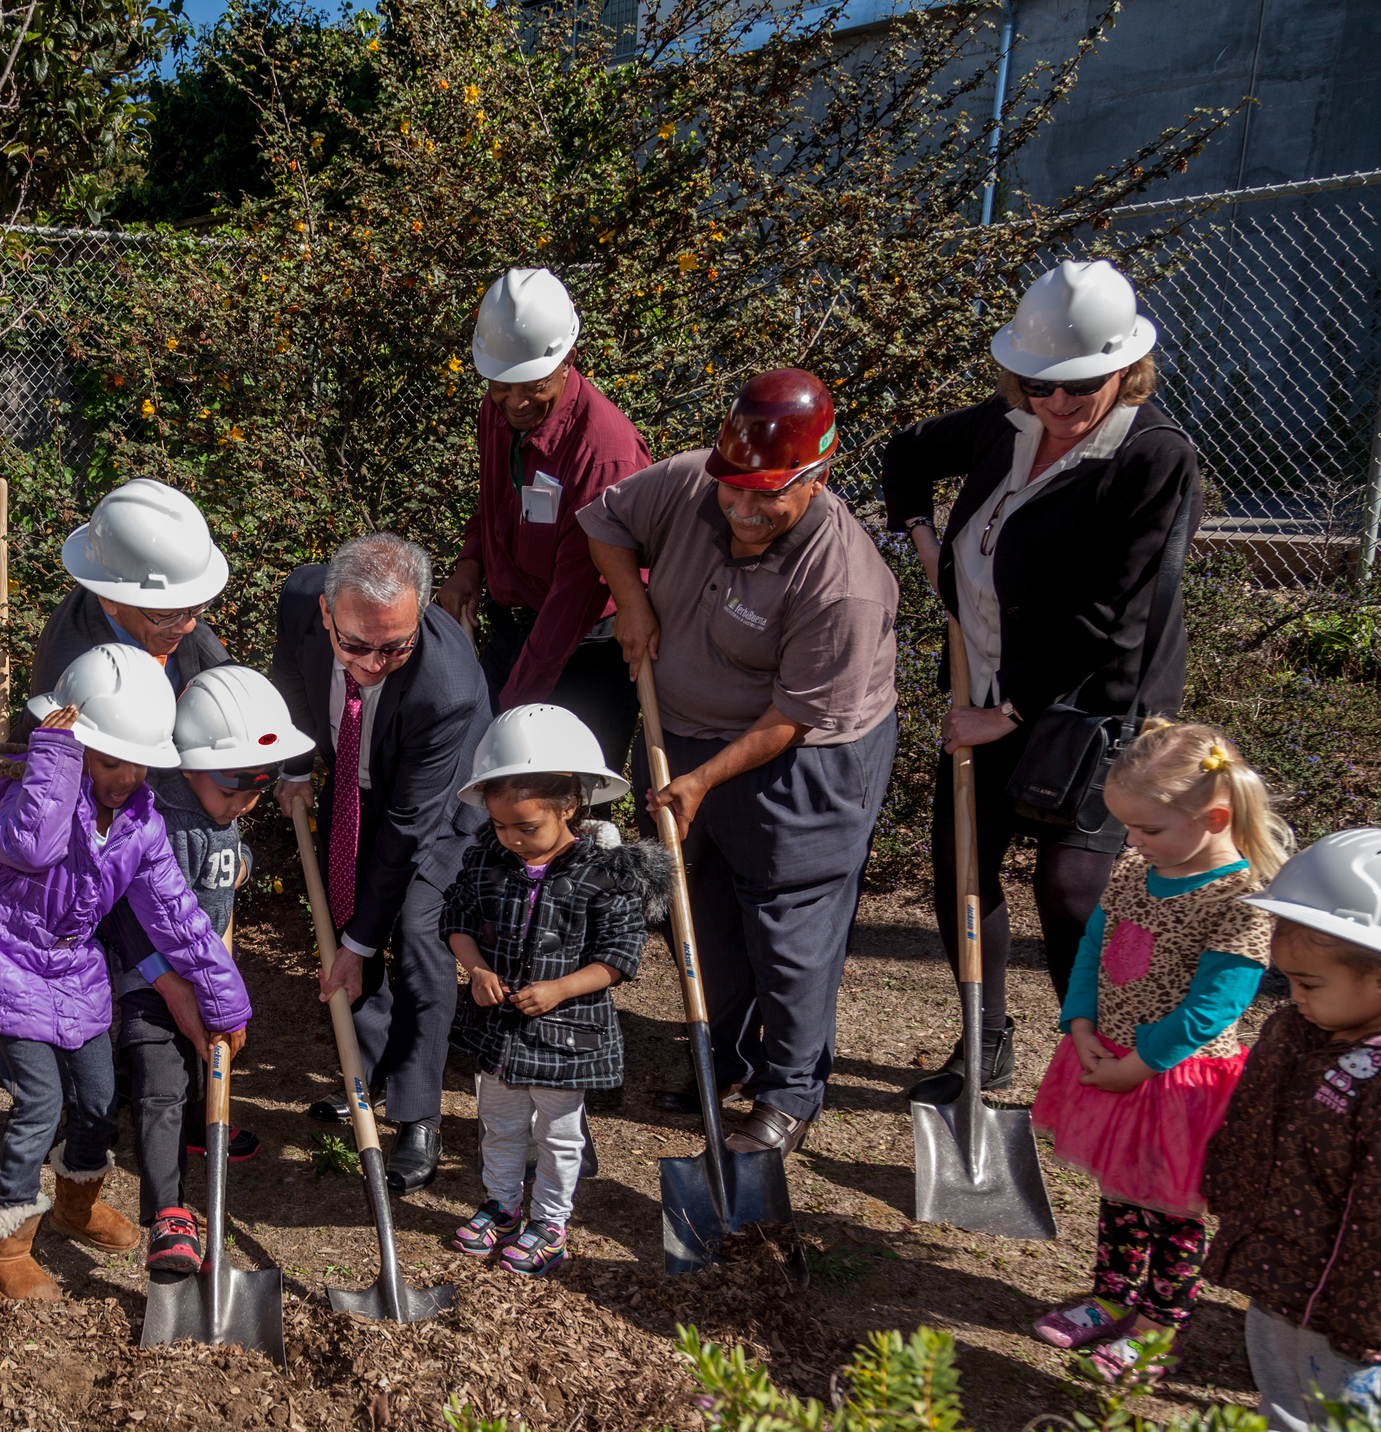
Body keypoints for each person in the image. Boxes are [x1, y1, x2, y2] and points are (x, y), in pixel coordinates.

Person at [880, 260, 1201, 1104]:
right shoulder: (1004, 423)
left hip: (1096, 705)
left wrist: (1009, 711)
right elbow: (905, 454)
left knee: (1071, 891)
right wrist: (921, 536)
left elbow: (1112, 617)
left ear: (1124, 367)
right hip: (981, 684)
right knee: (964, 866)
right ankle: (984, 1041)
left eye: (1082, 385)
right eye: (1039, 385)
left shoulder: (1152, 457)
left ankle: (1103, 1059)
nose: (1059, 405)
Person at [583, 369, 899, 1156]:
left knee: (790, 932)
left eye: (769, 497)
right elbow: (607, 524)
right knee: (706, 917)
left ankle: (787, 1094)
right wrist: (634, 599)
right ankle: (717, 1059)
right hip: (684, 734)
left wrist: (703, 779)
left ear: (818, 476)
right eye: (735, 492)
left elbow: (794, 715)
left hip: (804, 764)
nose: (745, 511)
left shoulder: (844, 584)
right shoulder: (696, 481)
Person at [0, 645, 251, 1302]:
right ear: (73, 747)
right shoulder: (36, 794)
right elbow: (34, 845)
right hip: (1, 958)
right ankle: (1, 1247)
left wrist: (225, 1000)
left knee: (99, 1098)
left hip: (71, 968)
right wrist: (52, 761)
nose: (126, 776)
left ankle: (75, 1205)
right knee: (40, 1103)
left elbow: (177, 915)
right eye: (109, 759)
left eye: (138, 761)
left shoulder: (142, 824)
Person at [1028, 720, 1288, 1379]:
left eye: (1148, 829)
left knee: (1175, 1213)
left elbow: (1214, 1008)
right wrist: (1081, 1025)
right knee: (1120, 1191)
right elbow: (1095, 946)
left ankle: (1156, 1324)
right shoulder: (1140, 868)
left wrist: (1136, 1067)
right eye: (1129, 830)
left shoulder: (1243, 900)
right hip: (1113, 1058)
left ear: (1215, 816)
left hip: (1177, 1081)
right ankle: (1111, 1295)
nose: (1133, 842)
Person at [274, 533, 491, 1193]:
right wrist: (292, 761)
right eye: (355, 645)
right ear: (326, 614)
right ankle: (362, 1072)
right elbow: (290, 674)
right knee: (344, 911)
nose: (372, 663)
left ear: (422, 614)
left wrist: (366, 942)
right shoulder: (299, 600)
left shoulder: (444, 687)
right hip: (354, 780)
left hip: (440, 805)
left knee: (421, 933)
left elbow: (406, 826)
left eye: (393, 646)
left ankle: (418, 1113)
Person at [100, 665, 312, 1278]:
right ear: (187, 765)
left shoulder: (219, 806)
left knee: (203, 1063)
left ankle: (201, 1128)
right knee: (160, 1082)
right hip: (150, 984)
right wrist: (178, 983)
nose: (244, 802)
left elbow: (226, 854)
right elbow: (134, 916)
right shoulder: (160, 821)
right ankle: (168, 1210)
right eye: (234, 790)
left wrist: (240, 861)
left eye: (255, 789)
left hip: (204, 972)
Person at [442, 705, 666, 1278]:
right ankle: (502, 1204)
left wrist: (561, 989)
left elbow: (618, 958)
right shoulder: (486, 863)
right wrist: (476, 969)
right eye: (499, 826)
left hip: (568, 1036)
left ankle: (550, 1223)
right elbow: (457, 920)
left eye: (527, 827)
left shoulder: (604, 874)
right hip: (500, 1033)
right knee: (501, 1122)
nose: (512, 839)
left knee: (559, 1135)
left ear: (570, 806)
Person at [1205, 830, 1381, 1432]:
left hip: (1350, 1311)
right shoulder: (1295, 1031)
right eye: (1287, 980)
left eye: (1309, 982)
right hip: (1278, 1274)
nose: (1293, 997)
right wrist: (1225, 1185)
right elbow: (1252, 1121)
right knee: (1282, 1411)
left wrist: (1366, 1314)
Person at [435, 268, 653, 767]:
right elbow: (494, 500)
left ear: (568, 359)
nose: (516, 402)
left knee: (559, 799)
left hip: (583, 656)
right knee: (486, 785)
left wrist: (512, 707)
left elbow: (576, 599)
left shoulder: (604, 455)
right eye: (501, 385)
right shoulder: (501, 410)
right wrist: (470, 564)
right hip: (512, 628)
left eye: (531, 386)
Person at [11, 478, 230, 744]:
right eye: (168, 614)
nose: (189, 626)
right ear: (109, 599)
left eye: (196, 608)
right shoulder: (70, 674)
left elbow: (228, 687)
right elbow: (92, 776)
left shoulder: (167, 605)